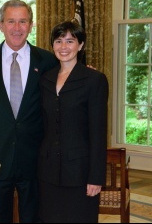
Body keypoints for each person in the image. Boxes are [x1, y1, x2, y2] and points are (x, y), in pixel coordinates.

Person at [0, 0, 58, 223]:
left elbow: (66, 92)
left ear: (31, 25)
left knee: (35, 218)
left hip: (35, 159)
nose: (17, 28)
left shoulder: (48, 61)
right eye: (11, 21)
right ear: (0, 25)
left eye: (22, 21)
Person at [37, 20, 108, 223]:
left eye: (70, 41)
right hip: (47, 170)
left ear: (81, 45)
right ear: (52, 45)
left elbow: (98, 132)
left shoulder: (94, 80)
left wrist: (96, 177)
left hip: (80, 172)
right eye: (59, 41)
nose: (64, 47)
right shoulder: (45, 79)